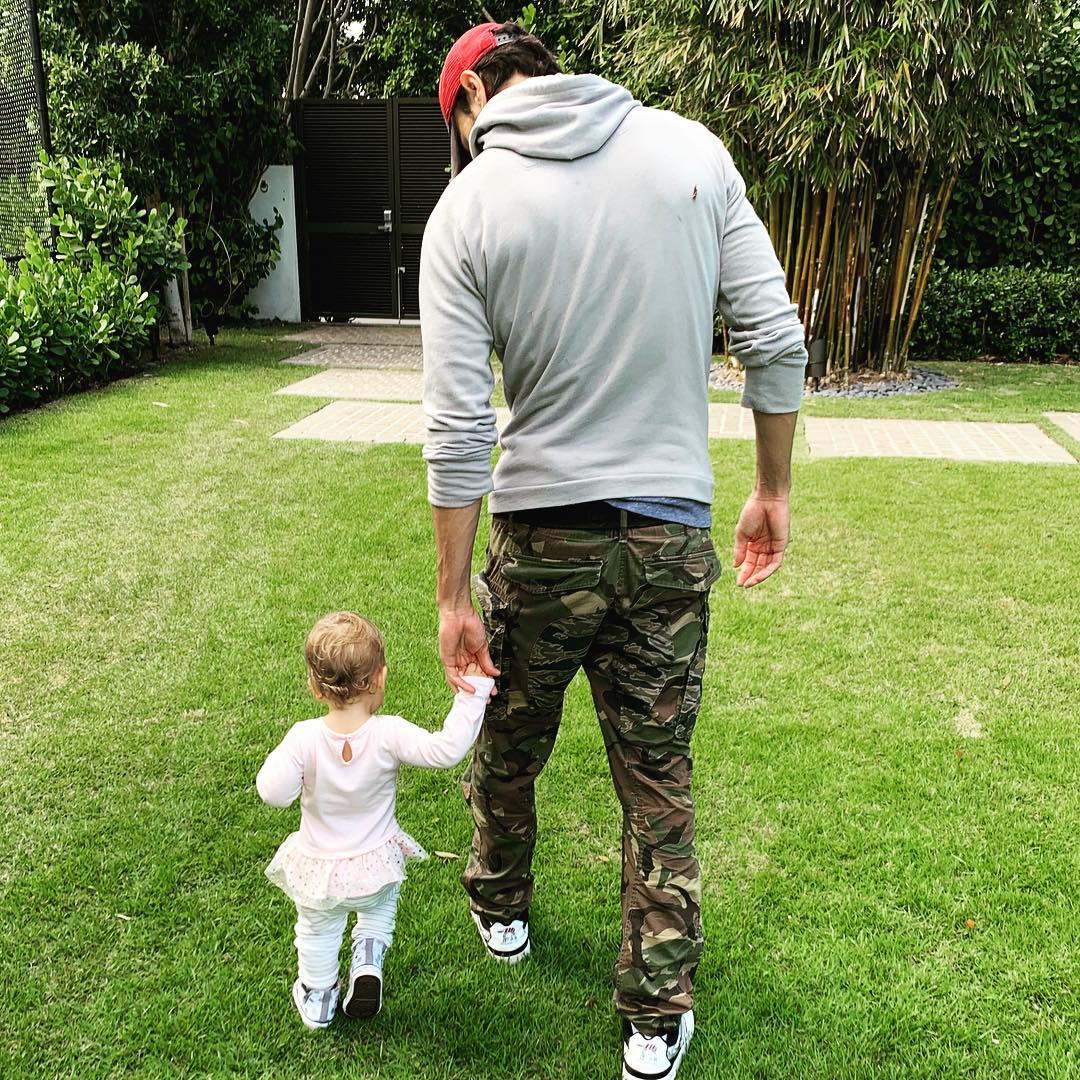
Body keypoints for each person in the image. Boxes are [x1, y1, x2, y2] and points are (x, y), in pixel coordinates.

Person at [420, 21, 806, 1080]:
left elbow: (457, 429)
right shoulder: (691, 151)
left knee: (508, 744)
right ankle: (652, 1019)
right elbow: (773, 339)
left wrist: (455, 592)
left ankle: (500, 903)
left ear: (469, 103)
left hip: (539, 545)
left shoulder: (468, 206)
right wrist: (771, 488)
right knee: (657, 780)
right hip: (671, 533)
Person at [256, 611, 494, 1030]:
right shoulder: (389, 734)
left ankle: (319, 995)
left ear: (315, 687)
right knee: (377, 912)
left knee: (316, 930)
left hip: (320, 872)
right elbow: (446, 750)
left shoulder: (304, 738)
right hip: (376, 865)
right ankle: (368, 958)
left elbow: (273, 792)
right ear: (380, 679)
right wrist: (473, 691)